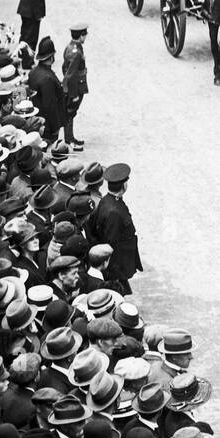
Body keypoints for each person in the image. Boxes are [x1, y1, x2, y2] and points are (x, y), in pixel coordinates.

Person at [88, 163, 142, 294]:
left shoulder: (107, 201)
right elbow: (112, 244)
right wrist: (115, 275)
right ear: (123, 185)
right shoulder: (114, 212)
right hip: (116, 266)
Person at [27, 36, 66, 145]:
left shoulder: (33, 72)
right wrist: (55, 127)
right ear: (51, 57)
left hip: (37, 119)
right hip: (47, 125)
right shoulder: (47, 78)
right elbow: (50, 105)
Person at [62, 23, 89, 151]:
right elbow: (71, 75)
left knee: (70, 113)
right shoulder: (77, 52)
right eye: (85, 34)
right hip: (76, 87)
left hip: (74, 85)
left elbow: (64, 68)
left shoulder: (69, 47)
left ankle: (70, 137)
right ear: (81, 36)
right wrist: (73, 94)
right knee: (70, 113)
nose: (86, 37)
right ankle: (69, 139)